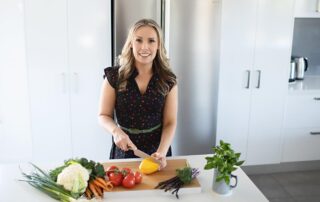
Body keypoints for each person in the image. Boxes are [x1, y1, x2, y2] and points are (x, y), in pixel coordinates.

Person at [98, 19, 178, 169]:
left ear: (158, 45)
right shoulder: (114, 76)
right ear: (131, 44)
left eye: (151, 41)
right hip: (124, 148)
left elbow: (170, 122)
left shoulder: (168, 80)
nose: (144, 47)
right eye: (139, 40)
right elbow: (103, 116)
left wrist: (162, 151)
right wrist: (116, 132)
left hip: (157, 150)